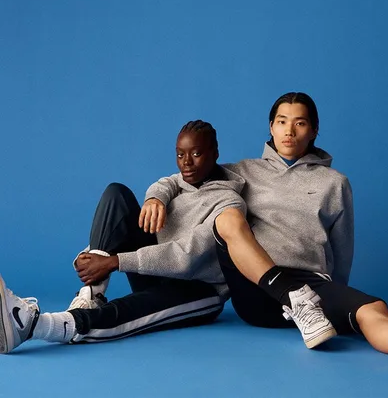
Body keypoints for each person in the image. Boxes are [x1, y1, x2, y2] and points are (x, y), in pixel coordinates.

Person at [146, 92, 388, 371]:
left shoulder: (335, 184)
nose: (289, 131)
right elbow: (181, 177)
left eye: (299, 123)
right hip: (256, 290)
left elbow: (342, 248)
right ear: (271, 127)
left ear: (313, 131)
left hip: (310, 290)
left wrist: (338, 299)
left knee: (371, 308)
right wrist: (155, 197)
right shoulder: (242, 171)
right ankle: (294, 300)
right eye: (281, 122)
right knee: (226, 219)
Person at [0, 120, 246, 353]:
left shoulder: (229, 203)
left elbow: (185, 257)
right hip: (155, 270)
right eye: (180, 155)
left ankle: (36, 325)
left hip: (198, 290)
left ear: (215, 153)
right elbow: (166, 182)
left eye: (196, 154)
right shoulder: (182, 181)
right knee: (116, 193)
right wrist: (154, 199)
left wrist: (115, 261)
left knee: (133, 308)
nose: (186, 164)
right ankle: (91, 294)